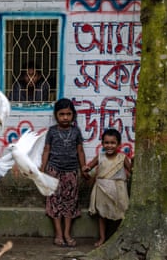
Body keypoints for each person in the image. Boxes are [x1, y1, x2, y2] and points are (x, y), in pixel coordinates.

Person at [40, 98, 88, 247]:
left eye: (68, 114)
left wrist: (83, 168)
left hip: (71, 172)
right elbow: (47, 149)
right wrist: (42, 169)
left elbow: (80, 150)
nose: (65, 117)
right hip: (54, 171)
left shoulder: (76, 131)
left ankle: (67, 233)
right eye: (62, 114)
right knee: (55, 202)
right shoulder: (52, 131)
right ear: (56, 115)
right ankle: (58, 234)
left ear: (73, 115)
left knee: (69, 203)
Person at [83, 128, 132, 247]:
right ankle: (102, 238)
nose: (109, 146)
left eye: (113, 143)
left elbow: (131, 170)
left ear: (118, 144)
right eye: (106, 143)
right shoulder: (100, 157)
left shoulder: (122, 157)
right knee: (102, 215)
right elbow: (89, 166)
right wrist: (86, 169)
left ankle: (118, 238)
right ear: (102, 144)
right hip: (102, 190)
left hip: (118, 191)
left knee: (120, 214)